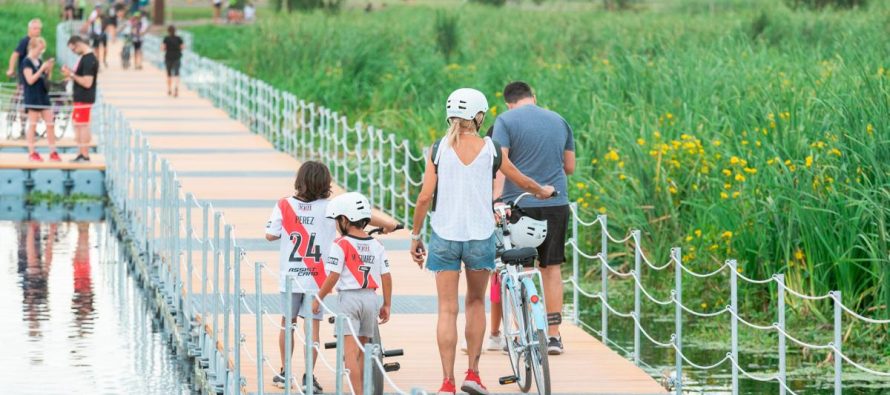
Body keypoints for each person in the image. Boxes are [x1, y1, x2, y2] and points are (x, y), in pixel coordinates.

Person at [409, 88, 554, 395]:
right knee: (476, 302)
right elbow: (521, 179)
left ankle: (447, 382)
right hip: (480, 236)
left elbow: (424, 197)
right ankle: (473, 374)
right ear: (478, 116)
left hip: (445, 236)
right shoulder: (492, 149)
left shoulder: (438, 149)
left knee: (446, 309)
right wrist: (542, 191)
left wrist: (415, 234)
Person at [264, 161, 397, 392]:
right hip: (318, 278)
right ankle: (309, 376)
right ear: (326, 184)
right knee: (312, 328)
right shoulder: (330, 207)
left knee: (288, 324)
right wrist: (389, 224)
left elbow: (270, 235)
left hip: (290, 276)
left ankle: (285, 372)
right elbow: (362, 215)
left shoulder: (284, 205)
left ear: (299, 181)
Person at [491, 81, 575, 355]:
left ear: (508, 102)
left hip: (519, 204)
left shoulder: (505, 120)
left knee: (520, 270)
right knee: (551, 269)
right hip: (556, 201)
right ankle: (554, 336)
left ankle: (522, 335)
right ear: (533, 97)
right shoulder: (559, 120)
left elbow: (500, 163)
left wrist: (496, 200)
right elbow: (570, 167)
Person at [312, 192, 393, 395]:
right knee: (364, 350)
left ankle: (358, 393)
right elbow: (386, 276)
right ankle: (365, 389)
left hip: (349, 299)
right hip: (371, 299)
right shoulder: (377, 245)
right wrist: (387, 304)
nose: (336, 226)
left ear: (345, 220)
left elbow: (333, 276)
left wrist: (318, 298)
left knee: (350, 353)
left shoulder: (341, 245)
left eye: (337, 221)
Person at [21, 38, 59, 162]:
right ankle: (32, 152)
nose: (41, 52)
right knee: (33, 125)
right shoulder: (26, 62)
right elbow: (30, 80)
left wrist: (49, 69)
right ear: (32, 47)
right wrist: (42, 69)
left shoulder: (39, 61)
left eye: (42, 49)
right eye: (39, 49)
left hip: (43, 96)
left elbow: (45, 79)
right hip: (32, 96)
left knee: (50, 124)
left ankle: (53, 152)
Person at [61, 35, 98, 163]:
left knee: (82, 125)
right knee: (79, 125)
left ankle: (84, 154)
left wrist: (71, 74)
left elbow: (87, 82)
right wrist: (70, 73)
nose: (73, 52)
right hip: (81, 98)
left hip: (84, 98)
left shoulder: (88, 59)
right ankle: (81, 153)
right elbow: (81, 76)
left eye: (73, 49)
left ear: (78, 45)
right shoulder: (86, 58)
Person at [161, 25, 184, 97]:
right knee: (177, 73)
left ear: (168, 31)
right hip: (177, 57)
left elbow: (162, 48)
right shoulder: (179, 38)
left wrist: (166, 49)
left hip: (168, 57)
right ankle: (176, 87)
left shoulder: (166, 38)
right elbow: (182, 47)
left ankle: (169, 89)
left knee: (169, 74)